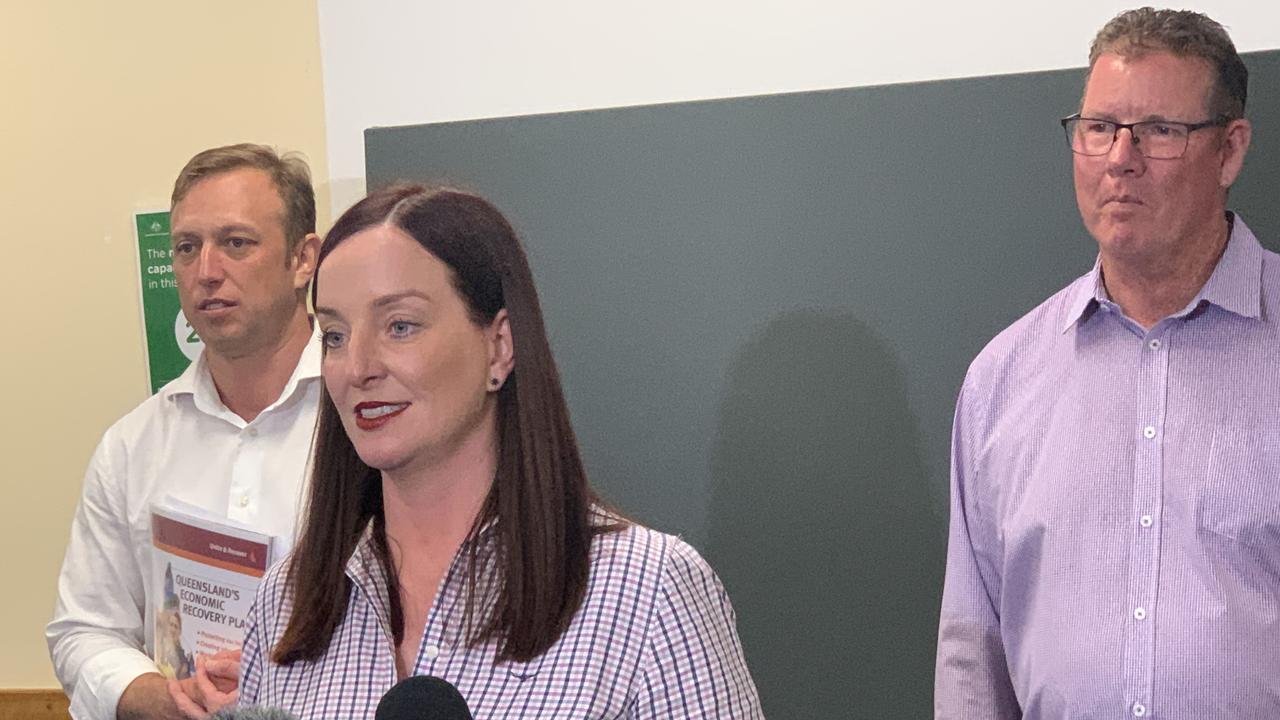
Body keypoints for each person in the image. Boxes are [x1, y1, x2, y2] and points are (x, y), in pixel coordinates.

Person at [233, 185, 763, 718]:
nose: (359, 367)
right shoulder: (285, 603)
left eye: (400, 326)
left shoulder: (648, 594)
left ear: (499, 345)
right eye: (335, 336)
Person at [934, 7, 1275, 719]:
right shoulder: (1002, 379)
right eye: (1098, 129)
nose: (1121, 158)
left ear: (1231, 150)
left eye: (1159, 131)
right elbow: (973, 650)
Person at [47, 144, 323, 720]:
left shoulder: (369, 427)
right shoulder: (133, 445)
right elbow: (82, 632)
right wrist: (166, 700)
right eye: (186, 248)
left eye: (236, 243)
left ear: (303, 259)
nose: (206, 271)